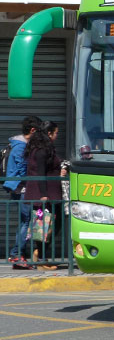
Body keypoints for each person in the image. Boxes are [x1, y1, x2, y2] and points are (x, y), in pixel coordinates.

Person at [3, 115, 41, 269]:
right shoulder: (21, 146)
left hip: (19, 189)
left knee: (25, 221)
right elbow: (21, 170)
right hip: (22, 189)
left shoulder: (16, 144)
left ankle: (18, 254)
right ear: (32, 130)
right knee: (27, 221)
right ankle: (17, 254)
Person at [23, 127, 62, 269]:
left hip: (51, 193)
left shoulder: (45, 149)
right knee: (45, 227)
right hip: (45, 195)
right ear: (49, 133)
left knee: (50, 226)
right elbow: (40, 173)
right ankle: (40, 258)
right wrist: (44, 194)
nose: (57, 136)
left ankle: (40, 255)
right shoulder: (41, 151)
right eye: (56, 133)